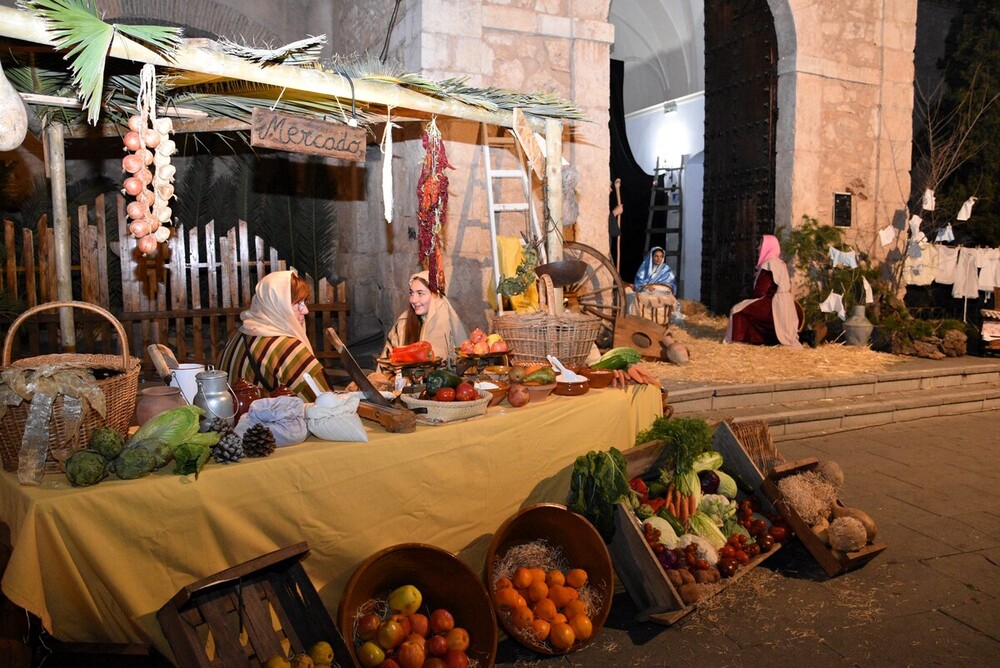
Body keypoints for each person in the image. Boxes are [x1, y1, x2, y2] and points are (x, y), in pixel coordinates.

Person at [219, 270, 333, 401]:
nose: (306, 311)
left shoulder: (238, 336)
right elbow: (325, 402)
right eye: (297, 304)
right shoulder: (287, 348)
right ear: (277, 306)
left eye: (304, 302)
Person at [725, 235, 802, 347]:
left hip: (774, 304)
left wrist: (748, 301)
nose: (758, 247)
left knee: (737, 309)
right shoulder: (780, 263)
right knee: (746, 307)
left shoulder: (769, 264)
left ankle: (740, 340)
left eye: (761, 245)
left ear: (768, 247)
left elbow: (760, 291)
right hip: (786, 305)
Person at [380, 270, 469, 366]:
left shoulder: (452, 326)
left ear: (436, 297)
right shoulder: (402, 324)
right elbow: (386, 364)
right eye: (411, 293)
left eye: (420, 293)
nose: (413, 300)